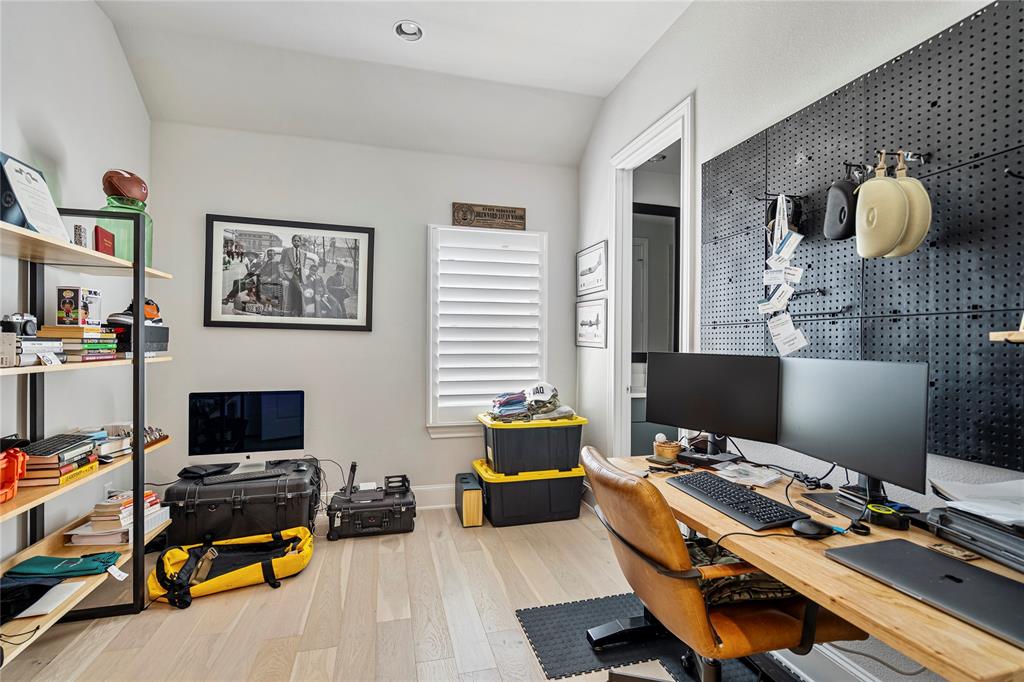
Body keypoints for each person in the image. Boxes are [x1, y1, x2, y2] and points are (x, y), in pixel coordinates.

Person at [280, 235, 306, 316]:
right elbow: (280, 264)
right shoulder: (286, 251)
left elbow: (303, 266)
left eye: (298, 241)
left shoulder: (303, 253)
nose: (296, 242)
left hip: (299, 276)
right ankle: (299, 312)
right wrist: (282, 274)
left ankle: (294, 311)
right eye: (295, 240)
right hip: (288, 274)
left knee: (296, 292)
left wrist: (302, 276)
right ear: (292, 242)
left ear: (300, 242)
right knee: (300, 291)